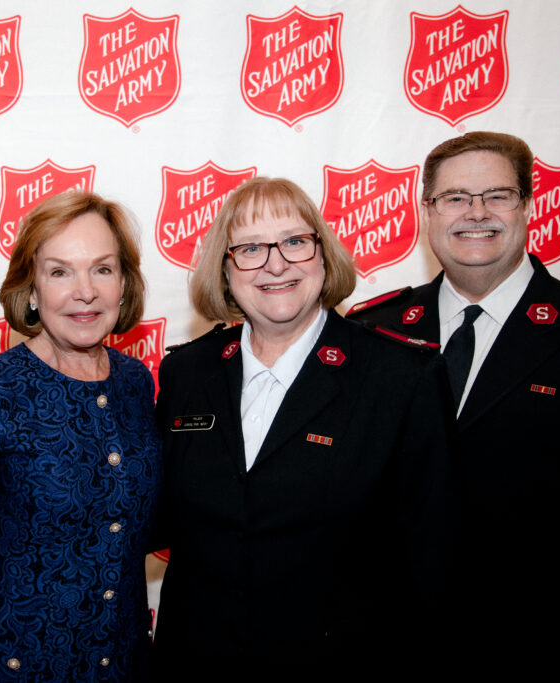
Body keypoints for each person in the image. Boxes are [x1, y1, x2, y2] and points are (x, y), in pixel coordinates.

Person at [348, 131, 560, 682]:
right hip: (391, 653)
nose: (475, 213)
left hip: (549, 654)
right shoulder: (372, 333)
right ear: (426, 212)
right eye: (454, 197)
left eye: (497, 195)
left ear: (528, 207)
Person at [150, 177, 458, 681]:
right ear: (225, 270)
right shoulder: (189, 372)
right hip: (195, 662)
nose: (275, 263)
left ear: (323, 255)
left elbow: (434, 563)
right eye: (250, 248)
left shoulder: (401, 377)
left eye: (294, 241)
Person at [0, 191, 162, 682]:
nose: (85, 292)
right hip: (19, 667)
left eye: (102, 269)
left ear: (124, 284)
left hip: (123, 662)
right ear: (32, 290)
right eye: (60, 271)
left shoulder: (135, 381)